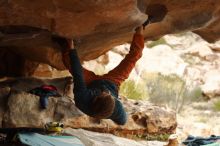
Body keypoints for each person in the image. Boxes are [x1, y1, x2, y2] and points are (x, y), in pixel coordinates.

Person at [62, 25, 145, 125]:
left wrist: (71, 48)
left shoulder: (82, 99)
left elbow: (77, 73)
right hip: (113, 82)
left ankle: (63, 43)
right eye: (110, 95)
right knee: (135, 56)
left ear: (95, 98)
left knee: (68, 61)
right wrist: (108, 115)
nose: (107, 92)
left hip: (90, 82)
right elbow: (122, 122)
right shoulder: (116, 109)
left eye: (105, 94)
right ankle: (140, 30)